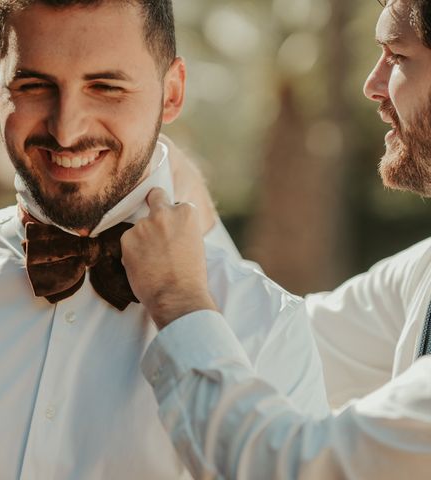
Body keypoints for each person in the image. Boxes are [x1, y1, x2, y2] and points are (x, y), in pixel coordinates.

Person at [0, 1, 329, 478]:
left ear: (172, 93)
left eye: (106, 86)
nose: (67, 129)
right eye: (34, 86)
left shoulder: (265, 327)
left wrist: (181, 309)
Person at [121, 0, 431, 478]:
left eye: (397, 55)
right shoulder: (423, 272)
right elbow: (284, 340)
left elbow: (293, 467)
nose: (372, 85)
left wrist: (176, 298)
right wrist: (191, 207)